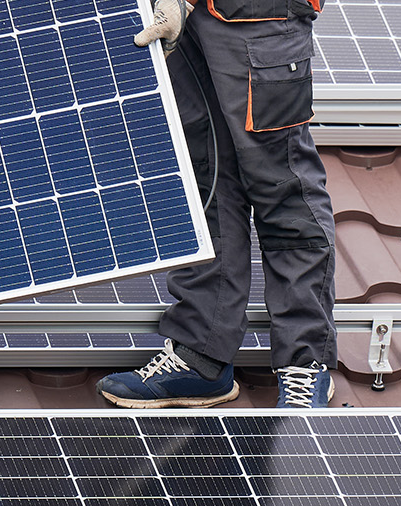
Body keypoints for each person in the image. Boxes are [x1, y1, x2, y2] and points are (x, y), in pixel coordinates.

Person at [98, 0, 338, 409]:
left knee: (281, 185)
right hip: (180, 17)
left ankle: (304, 360)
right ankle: (202, 356)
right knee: (202, 179)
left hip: (258, 17)